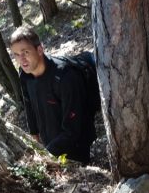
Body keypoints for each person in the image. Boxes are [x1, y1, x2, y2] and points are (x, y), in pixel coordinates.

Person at [9, 26, 97, 164]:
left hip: (77, 142)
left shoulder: (65, 77)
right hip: (51, 139)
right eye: (16, 54)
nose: (22, 59)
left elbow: (73, 128)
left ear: (39, 50)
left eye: (25, 52)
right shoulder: (25, 74)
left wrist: (46, 155)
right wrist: (34, 133)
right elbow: (28, 103)